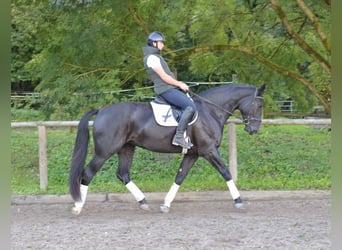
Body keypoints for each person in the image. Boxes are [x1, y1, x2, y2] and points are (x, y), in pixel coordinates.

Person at [142, 31, 197, 149]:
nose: (163, 45)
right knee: (191, 106)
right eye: (161, 42)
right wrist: (179, 84)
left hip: (169, 88)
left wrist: (179, 84)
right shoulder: (152, 58)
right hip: (165, 90)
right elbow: (164, 77)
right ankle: (179, 136)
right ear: (154, 43)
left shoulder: (157, 57)